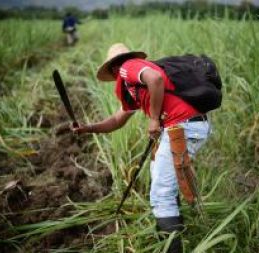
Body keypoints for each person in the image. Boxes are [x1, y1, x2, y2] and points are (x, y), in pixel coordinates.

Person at [72, 43, 212, 253]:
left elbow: (154, 78)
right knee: (159, 176)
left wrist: (154, 119)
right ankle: (172, 234)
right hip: (188, 124)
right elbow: (118, 119)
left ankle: (171, 247)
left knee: (161, 194)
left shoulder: (128, 66)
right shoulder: (131, 86)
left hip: (182, 125)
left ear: (112, 68)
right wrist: (87, 128)